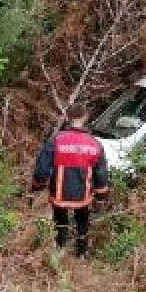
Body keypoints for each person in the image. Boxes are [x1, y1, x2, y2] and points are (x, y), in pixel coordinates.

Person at [31, 103, 110, 257]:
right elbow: (100, 174)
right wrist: (101, 196)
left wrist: (36, 186)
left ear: (67, 117)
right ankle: (81, 252)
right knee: (82, 221)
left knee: (60, 221)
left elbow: (41, 169)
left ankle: (59, 249)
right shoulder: (95, 144)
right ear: (85, 117)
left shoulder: (56, 141)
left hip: (59, 194)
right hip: (83, 196)